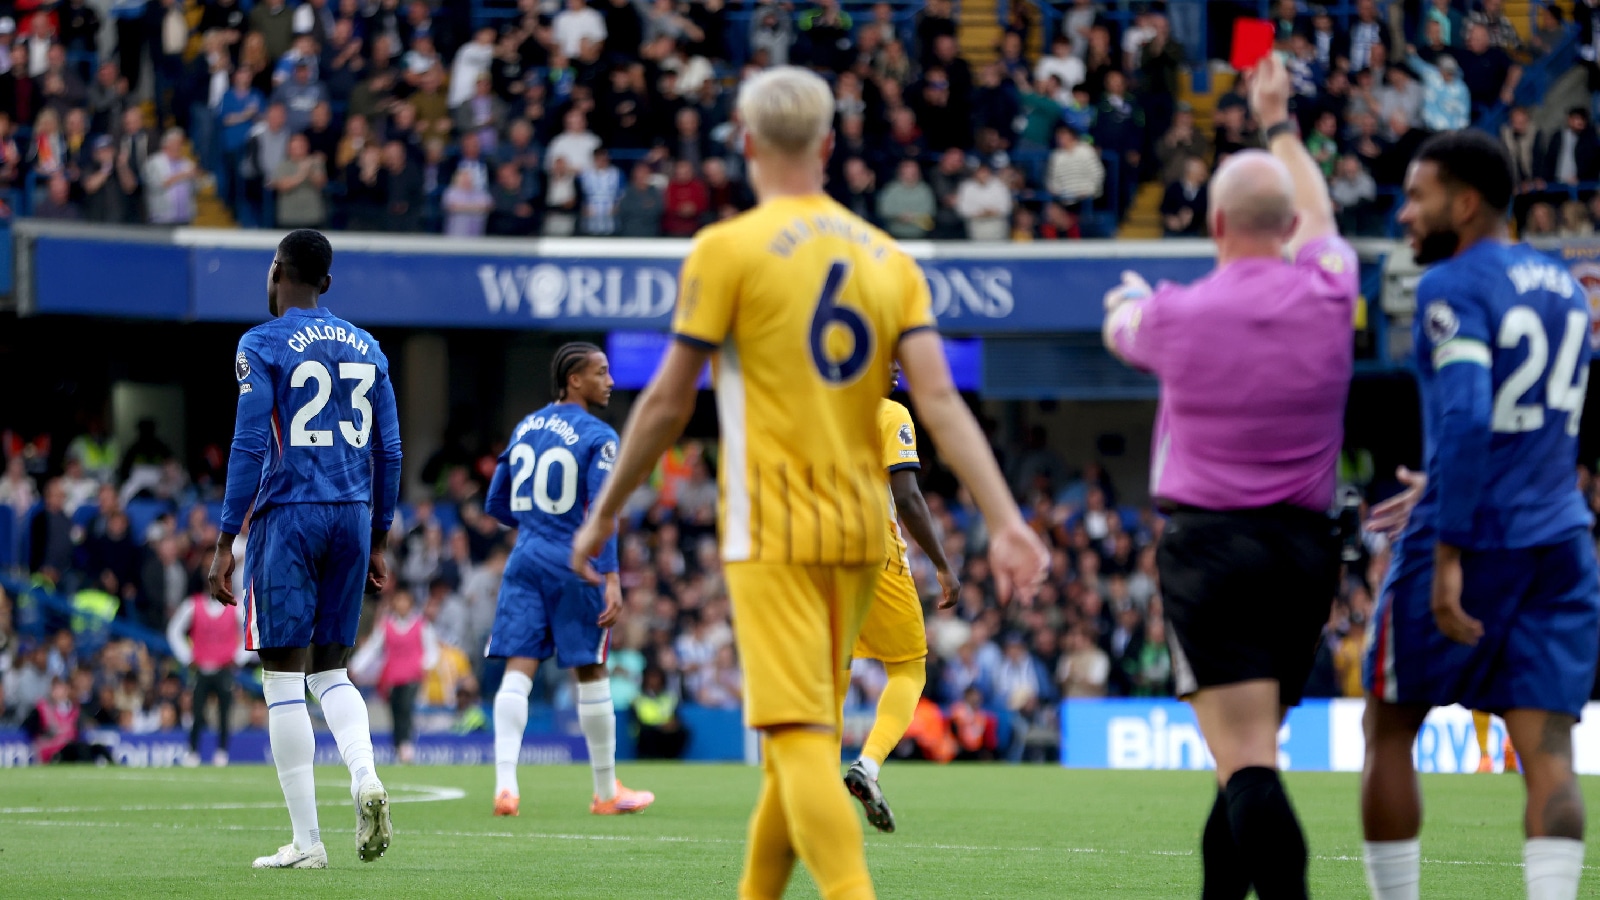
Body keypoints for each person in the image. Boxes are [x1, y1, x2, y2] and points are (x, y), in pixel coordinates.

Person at [569, 66, 1048, 900]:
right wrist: (1005, 520)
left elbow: (667, 406)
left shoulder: (727, 249)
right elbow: (938, 400)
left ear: (747, 144)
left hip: (777, 537)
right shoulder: (889, 258)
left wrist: (601, 515)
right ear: (828, 145)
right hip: (866, 541)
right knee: (798, 748)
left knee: (796, 743)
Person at [1102, 55, 1355, 900]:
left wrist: (1126, 298)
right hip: (1306, 552)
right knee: (1242, 754)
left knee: (1243, 760)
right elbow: (1319, 207)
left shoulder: (1175, 313)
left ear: (1214, 226)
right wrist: (1278, 123)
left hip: (1210, 550)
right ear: (1287, 229)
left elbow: (1122, 323)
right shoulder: (1330, 290)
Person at [1360, 129, 1599, 900]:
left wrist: (1450, 549)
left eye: (1418, 197)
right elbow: (1538, 421)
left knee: (1391, 725)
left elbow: (1465, 418)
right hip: (1560, 535)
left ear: (1464, 205)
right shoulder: (1567, 284)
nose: (1403, 215)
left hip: (1468, 538)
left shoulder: (1451, 287)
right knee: (1550, 754)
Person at [207, 229, 402, 870]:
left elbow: (249, 445)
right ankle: (366, 778)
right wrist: (378, 537)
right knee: (333, 671)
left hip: (288, 515)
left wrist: (225, 540)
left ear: (278, 271)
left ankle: (309, 843)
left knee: (284, 680)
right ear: (326, 282)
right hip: (351, 514)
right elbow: (389, 453)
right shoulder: (368, 346)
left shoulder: (260, 342)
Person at [484, 342, 654, 819]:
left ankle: (506, 787)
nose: (611, 381)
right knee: (590, 670)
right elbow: (606, 511)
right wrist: (613, 576)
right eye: (601, 373)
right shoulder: (599, 435)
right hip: (576, 562)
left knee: (519, 667)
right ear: (574, 380)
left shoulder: (524, 426)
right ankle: (605, 792)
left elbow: (496, 502)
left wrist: (535, 523)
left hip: (525, 557)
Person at [842, 359, 961, 833]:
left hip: (815, 554)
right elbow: (908, 496)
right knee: (909, 668)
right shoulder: (889, 414)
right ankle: (867, 766)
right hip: (873, 550)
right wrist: (943, 564)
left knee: (833, 667)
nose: (894, 367)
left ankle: (802, 783)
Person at [351, 588, 439, 764]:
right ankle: (399, 747)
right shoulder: (386, 625)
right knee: (395, 711)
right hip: (392, 676)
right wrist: (356, 666)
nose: (402, 605)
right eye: (399, 601)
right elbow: (373, 648)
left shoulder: (421, 624)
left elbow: (432, 649)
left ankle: (406, 747)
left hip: (412, 676)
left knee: (406, 708)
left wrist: (425, 665)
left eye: (405, 601)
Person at [166, 589, 252, 767]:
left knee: (224, 712)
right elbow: (174, 631)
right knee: (197, 712)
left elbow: (251, 628)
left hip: (224, 668)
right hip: (201, 668)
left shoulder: (235, 606)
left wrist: (238, 658)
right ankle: (193, 751)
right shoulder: (193, 605)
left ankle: (221, 751)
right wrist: (187, 657)